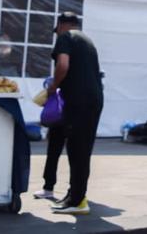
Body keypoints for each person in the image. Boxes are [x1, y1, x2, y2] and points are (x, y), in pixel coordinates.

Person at [47, 12, 103, 215]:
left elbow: (63, 65)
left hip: (79, 100)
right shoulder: (87, 41)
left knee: (76, 149)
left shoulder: (65, 37)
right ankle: (75, 195)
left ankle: (78, 200)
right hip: (94, 99)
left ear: (61, 25)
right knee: (82, 149)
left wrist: (53, 86)